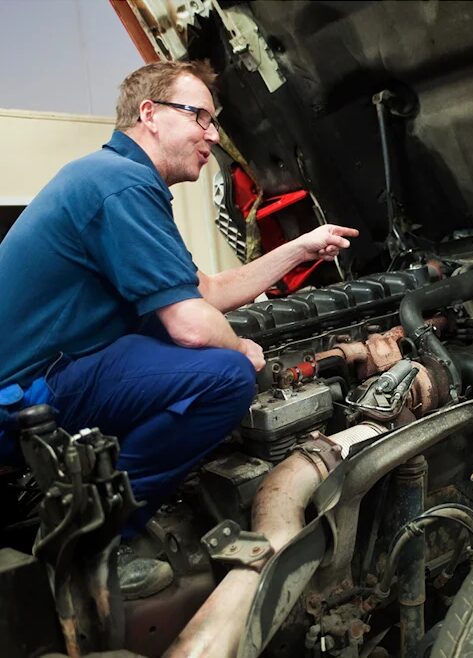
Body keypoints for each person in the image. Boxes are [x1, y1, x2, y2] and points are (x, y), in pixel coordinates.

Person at [0, 61, 358, 597]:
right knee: (226, 378)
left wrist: (299, 248)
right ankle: (95, 543)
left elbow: (205, 290)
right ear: (149, 114)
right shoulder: (120, 185)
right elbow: (192, 325)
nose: (213, 136)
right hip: (22, 399)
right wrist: (240, 348)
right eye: (200, 117)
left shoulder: (112, 177)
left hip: (48, 377)